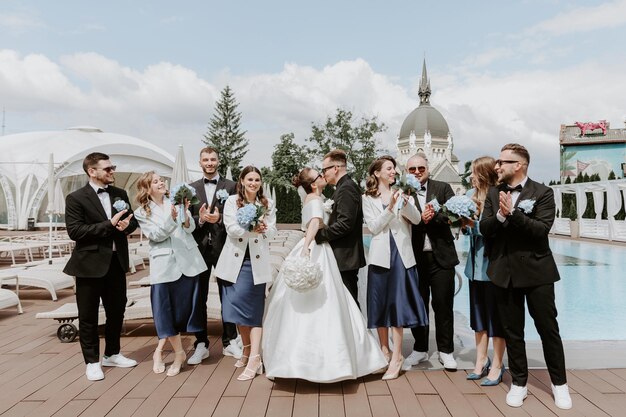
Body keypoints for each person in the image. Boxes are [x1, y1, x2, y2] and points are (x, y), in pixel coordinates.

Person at [263, 168, 387, 382]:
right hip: (316, 248)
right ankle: (331, 361)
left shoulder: (316, 197)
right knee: (328, 301)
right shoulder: (314, 199)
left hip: (317, 247)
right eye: (319, 175)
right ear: (313, 184)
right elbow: (313, 224)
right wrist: (307, 248)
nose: (323, 176)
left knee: (326, 300)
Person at [481, 143, 571, 409]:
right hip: (504, 274)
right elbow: (486, 229)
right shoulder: (493, 193)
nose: (496, 166)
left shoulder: (543, 192)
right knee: (513, 331)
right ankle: (519, 383)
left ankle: (560, 384)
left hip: (537, 273)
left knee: (548, 330)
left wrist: (514, 214)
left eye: (502, 162)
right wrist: (499, 214)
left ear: (518, 165)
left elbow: (540, 230)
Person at [63, 152, 138, 381]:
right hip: (88, 266)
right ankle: (92, 361)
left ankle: (113, 353)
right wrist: (109, 225)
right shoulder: (76, 198)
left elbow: (132, 221)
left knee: (117, 311)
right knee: (88, 315)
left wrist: (127, 225)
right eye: (107, 168)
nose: (112, 171)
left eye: (112, 167)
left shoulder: (120, 194)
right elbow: (75, 232)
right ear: (92, 171)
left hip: (116, 263)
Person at [133, 172, 207, 376]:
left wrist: (186, 216)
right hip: (164, 267)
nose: (161, 183)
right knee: (164, 313)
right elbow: (156, 236)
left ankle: (159, 351)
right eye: (155, 181)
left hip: (188, 263)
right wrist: (171, 219)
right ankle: (179, 353)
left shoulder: (177, 201)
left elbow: (190, 228)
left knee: (181, 313)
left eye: (161, 180)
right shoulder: (141, 212)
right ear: (147, 188)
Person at [362, 156, 428, 380]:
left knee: (397, 305)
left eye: (394, 169)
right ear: (378, 173)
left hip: (401, 256)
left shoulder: (403, 193)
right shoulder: (367, 198)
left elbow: (417, 220)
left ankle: (398, 355)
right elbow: (373, 227)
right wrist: (390, 208)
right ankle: (384, 351)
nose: (394, 171)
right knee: (380, 304)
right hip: (380, 256)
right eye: (389, 168)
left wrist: (405, 203)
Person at [214, 166, 276, 381]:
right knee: (238, 311)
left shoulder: (266, 203)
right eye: (250, 179)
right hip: (234, 262)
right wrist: (250, 229)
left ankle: (255, 359)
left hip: (255, 264)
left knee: (253, 312)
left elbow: (274, 230)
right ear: (241, 180)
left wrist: (265, 228)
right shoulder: (231, 201)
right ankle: (247, 349)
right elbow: (230, 228)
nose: (254, 183)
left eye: (257, 179)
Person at [404, 153, 460, 371]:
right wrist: (420, 218)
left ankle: (446, 351)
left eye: (420, 168)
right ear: (407, 171)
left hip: (441, 257)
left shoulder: (443, 187)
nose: (417, 172)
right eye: (412, 169)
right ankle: (420, 349)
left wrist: (432, 216)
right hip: (416, 258)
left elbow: (452, 216)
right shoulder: (404, 192)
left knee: (443, 305)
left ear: (428, 168)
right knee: (419, 304)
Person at [188, 147, 241, 365]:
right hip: (199, 250)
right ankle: (201, 343)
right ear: (200, 162)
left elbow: (238, 216)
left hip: (224, 247)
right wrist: (200, 220)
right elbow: (186, 219)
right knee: (198, 296)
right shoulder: (190, 189)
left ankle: (231, 341)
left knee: (228, 294)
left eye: (213, 159)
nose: (209, 163)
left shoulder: (231, 186)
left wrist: (219, 220)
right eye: (205, 160)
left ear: (218, 161)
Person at [461, 156, 506, 386]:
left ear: (485, 174)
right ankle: (481, 360)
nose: (470, 177)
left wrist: (473, 226)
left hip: (493, 268)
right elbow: (469, 231)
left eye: (474, 173)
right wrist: (460, 224)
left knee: (495, 319)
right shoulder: (469, 197)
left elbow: (496, 229)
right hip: (474, 270)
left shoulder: (499, 197)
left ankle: (498, 364)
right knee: (478, 318)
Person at [315, 149, 366, 307]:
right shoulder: (343, 187)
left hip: (345, 257)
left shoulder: (347, 188)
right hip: (342, 256)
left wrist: (320, 235)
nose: (323, 174)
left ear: (335, 168)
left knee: (348, 303)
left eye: (324, 170)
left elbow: (345, 224)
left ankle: (355, 332)